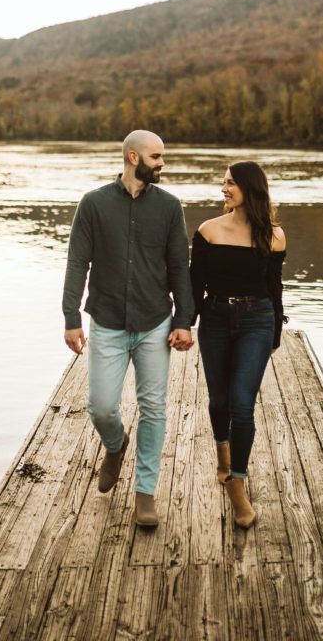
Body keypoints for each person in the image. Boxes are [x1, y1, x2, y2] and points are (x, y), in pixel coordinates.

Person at [62, 130, 195, 528]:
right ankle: (116, 446)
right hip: (107, 322)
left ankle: (145, 494)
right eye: (157, 157)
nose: (162, 164)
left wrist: (185, 320)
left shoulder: (170, 207)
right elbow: (76, 263)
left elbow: (179, 268)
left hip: (155, 322)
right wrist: (71, 317)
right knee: (100, 406)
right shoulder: (93, 204)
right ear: (133, 157)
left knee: (153, 409)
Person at [190, 160, 286, 528]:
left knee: (243, 406)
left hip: (257, 321)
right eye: (223, 183)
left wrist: (274, 332)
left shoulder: (274, 235)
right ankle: (222, 454)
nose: (223, 189)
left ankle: (237, 485)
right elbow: (195, 285)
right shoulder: (209, 231)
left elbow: (275, 288)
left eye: (230, 183)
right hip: (214, 319)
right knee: (220, 401)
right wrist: (185, 324)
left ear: (250, 188)